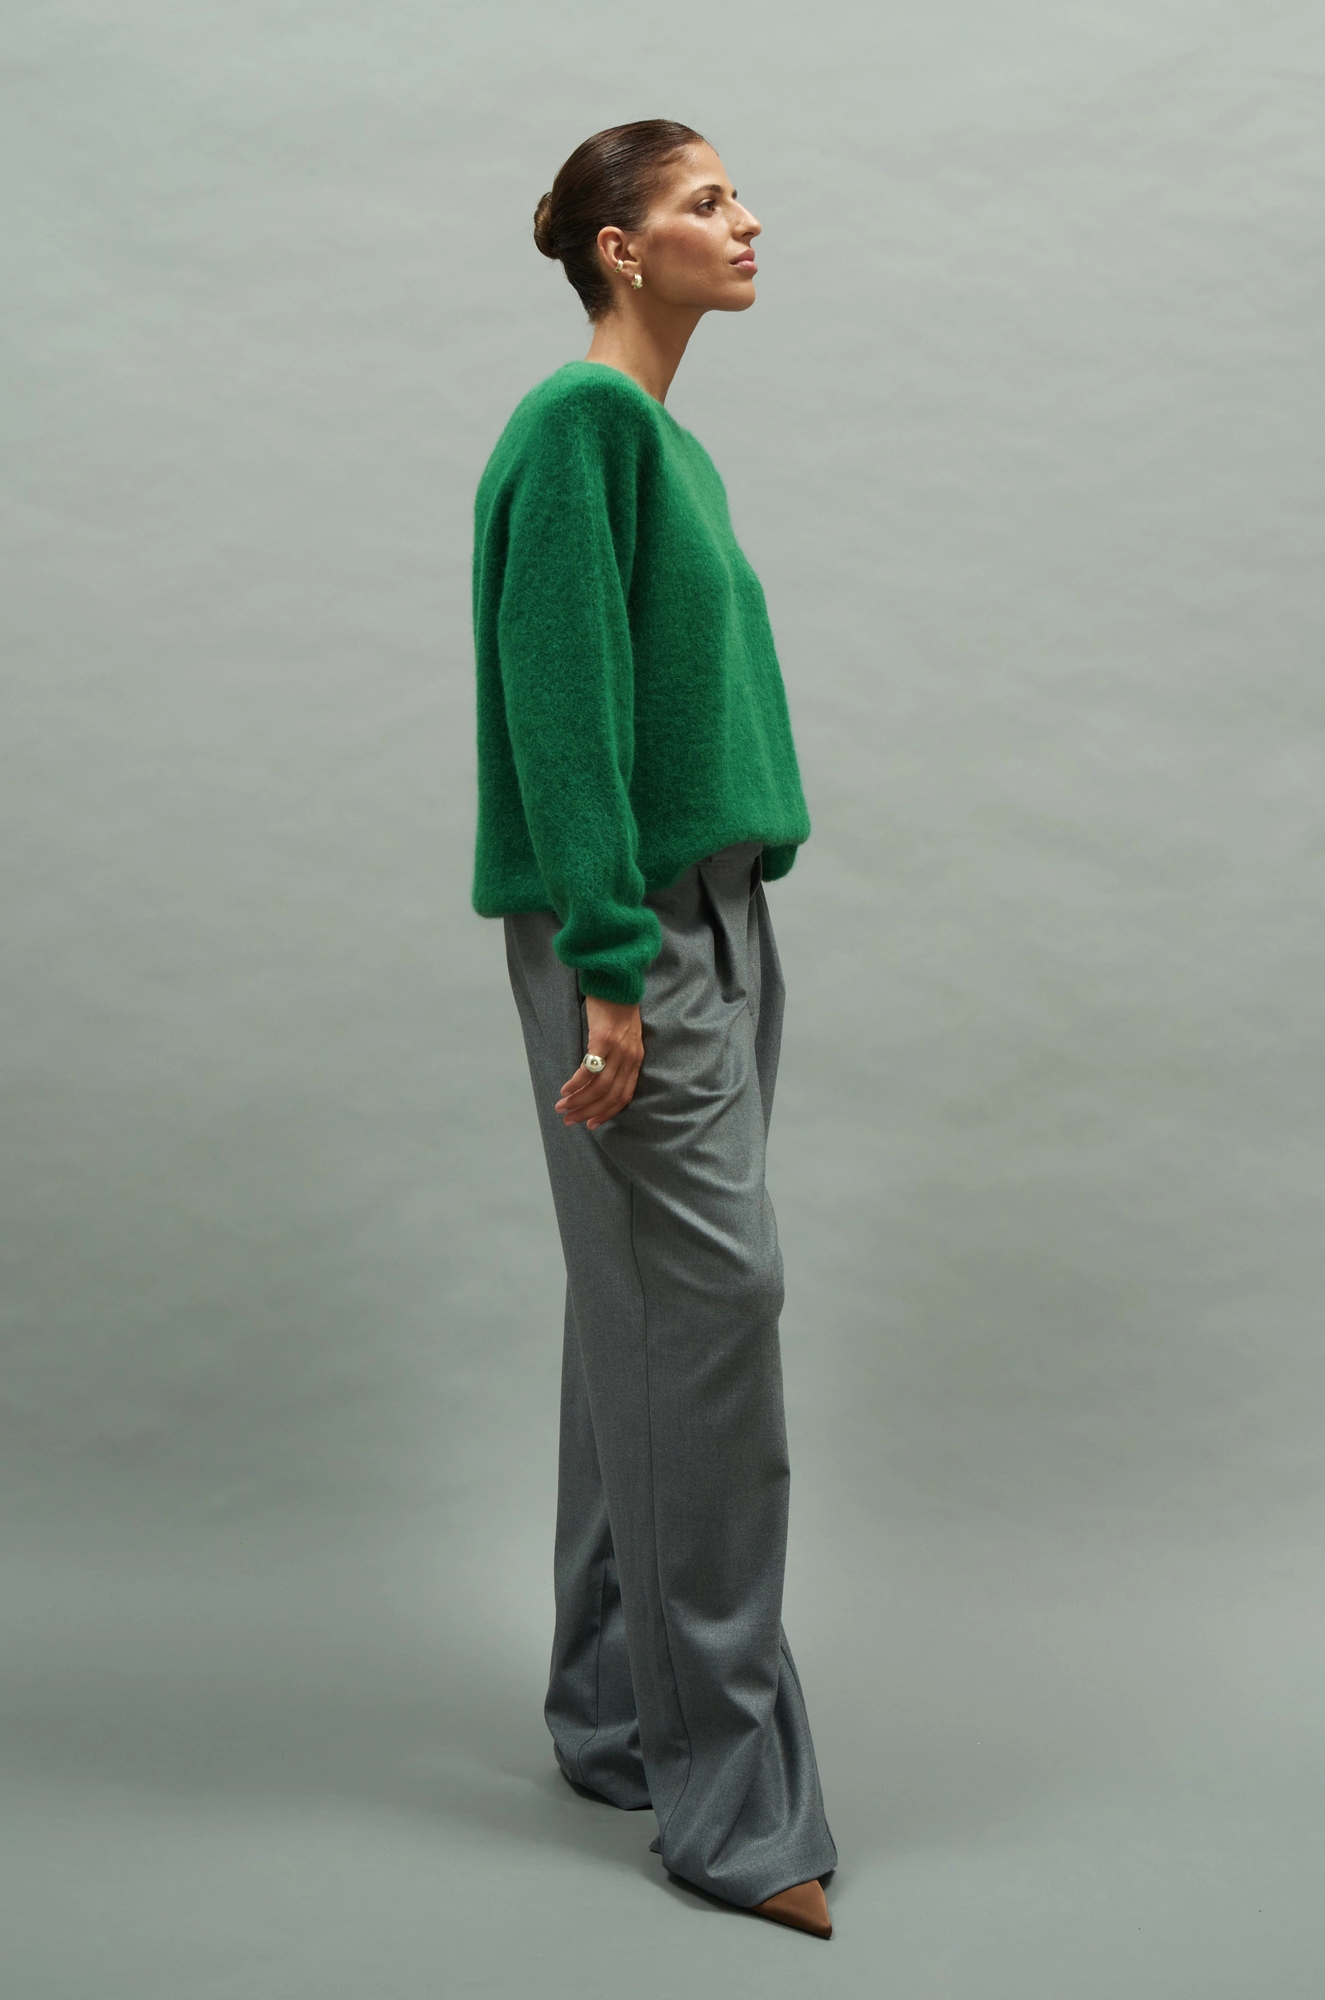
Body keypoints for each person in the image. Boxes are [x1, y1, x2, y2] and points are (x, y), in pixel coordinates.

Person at [471, 120, 837, 1940]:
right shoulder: (581, 429)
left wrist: (719, 905)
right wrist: (615, 964)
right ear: (621, 250)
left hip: (711, 917)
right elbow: (564, 714)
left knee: (644, 1314)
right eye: (705, 201)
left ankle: (614, 1708)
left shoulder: (664, 440)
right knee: (715, 1321)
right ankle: (736, 1812)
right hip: (633, 930)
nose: (746, 219)